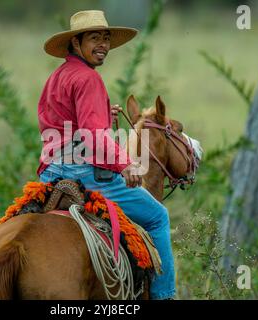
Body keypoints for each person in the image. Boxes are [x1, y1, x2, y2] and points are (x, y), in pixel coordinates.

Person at [37, 10, 176, 300]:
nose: (103, 45)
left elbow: (67, 125)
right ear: (76, 43)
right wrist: (123, 163)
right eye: (94, 38)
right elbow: (91, 135)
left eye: (106, 38)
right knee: (158, 217)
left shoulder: (57, 76)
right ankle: (165, 295)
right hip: (81, 171)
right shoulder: (88, 78)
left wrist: (101, 117)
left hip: (52, 170)